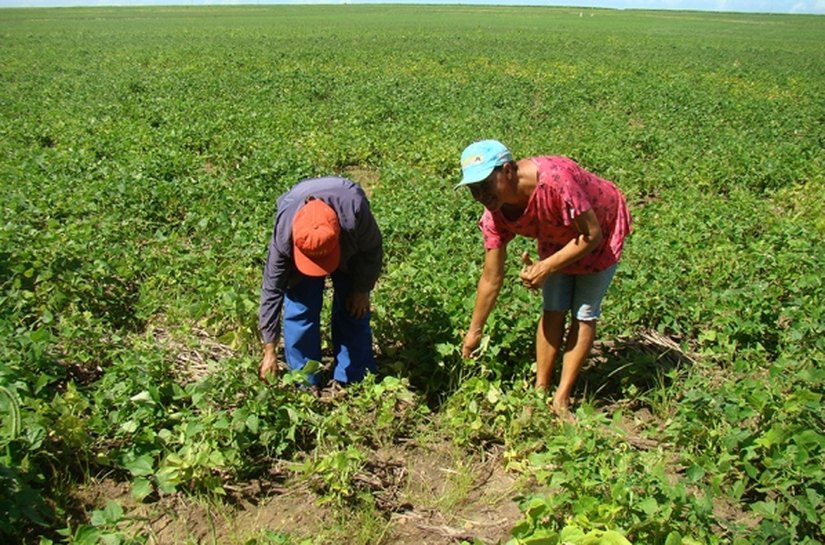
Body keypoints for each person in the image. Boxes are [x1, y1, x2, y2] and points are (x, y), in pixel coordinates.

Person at [457, 140, 631, 414]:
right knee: (553, 307)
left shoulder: (555, 181)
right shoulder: (495, 213)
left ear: (507, 171)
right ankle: (541, 390)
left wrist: (546, 266)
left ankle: (561, 398)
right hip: (555, 234)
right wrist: (474, 332)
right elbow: (491, 277)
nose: (480, 195)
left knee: (584, 311)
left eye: (485, 185)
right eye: (473, 189)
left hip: (599, 228)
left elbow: (591, 235)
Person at [258, 176, 383, 391]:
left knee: (354, 308)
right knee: (300, 308)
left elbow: (372, 250)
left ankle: (353, 379)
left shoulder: (354, 211)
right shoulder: (285, 235)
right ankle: (305, 381)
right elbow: (272, 290)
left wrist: (362, 289)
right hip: (301, 241)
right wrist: (269, 350)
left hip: (349, 245)